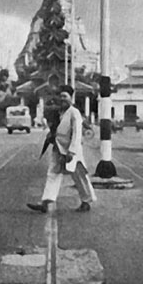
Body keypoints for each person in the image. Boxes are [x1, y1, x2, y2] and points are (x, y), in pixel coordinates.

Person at [27, 85, 96, 213]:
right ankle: (46, 203)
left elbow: (77, 132)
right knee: (52, 174)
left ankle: (86, 201)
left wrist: (72, 151)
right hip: (58, 148)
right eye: (60, 96)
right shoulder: (59, 112)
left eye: (65, 96)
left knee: (79, 176)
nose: (62, 99)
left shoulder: (74, 112)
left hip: (71, 150)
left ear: (71, 97)